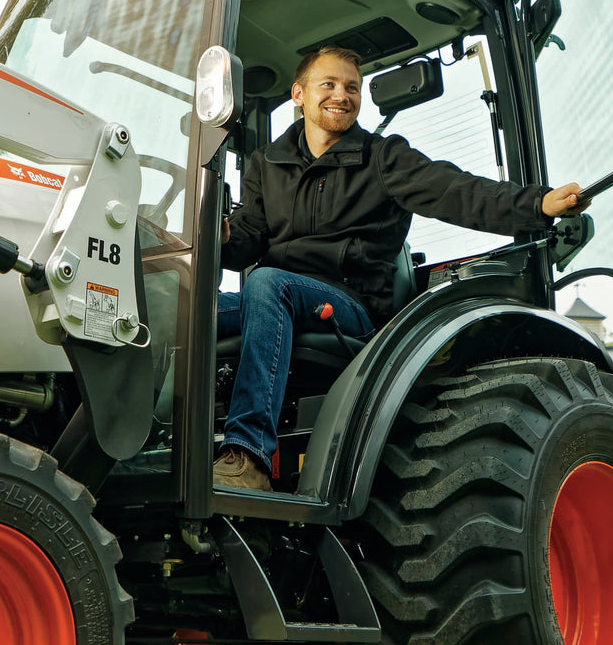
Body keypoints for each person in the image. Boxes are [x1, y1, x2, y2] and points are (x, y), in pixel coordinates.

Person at [214, 45, 588, 491]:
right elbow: (248, 237)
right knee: (181, 305)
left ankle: (248, 455)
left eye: (352, 87)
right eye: (328, 84)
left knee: (265, 282)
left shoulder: (382, 158)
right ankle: (162, 447)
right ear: (299, 94)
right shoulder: (267, 163)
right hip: (276, 299)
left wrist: (537, 204)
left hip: (348, 303)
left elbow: (453, 190)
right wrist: (224, 238)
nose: (342, 95)